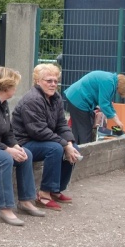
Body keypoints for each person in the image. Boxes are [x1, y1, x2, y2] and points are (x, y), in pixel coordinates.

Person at [0, 67, 45, 226]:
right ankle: (5, 208)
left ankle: (26, 201)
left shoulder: (4, 104)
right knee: (5, 159)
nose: (16, 88)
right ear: (6, 86)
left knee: (26, 154)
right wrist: (7, 149)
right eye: (14, 85)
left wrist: (16, 146)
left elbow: (8, 132)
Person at [12, 64, 80, 211]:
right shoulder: (32, 99)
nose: (53, 84)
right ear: (37, 81)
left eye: (55, 81)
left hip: (42, 139)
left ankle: (56, 190)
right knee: (55, 148)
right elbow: (38, 131)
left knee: (74, 147)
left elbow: (62, 124)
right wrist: (64, 144)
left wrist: (68, 142)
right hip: (24, 141)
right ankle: (43, 194)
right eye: (48, 81)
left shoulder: (56, 98)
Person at [63, 71, 125, 143]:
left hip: (74, 96)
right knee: (85, 130)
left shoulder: (110, 79)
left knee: (77, 130)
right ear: (121, 87)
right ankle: (85, 151)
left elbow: (107, 102)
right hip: (79, 100)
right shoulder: (109, 83)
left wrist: (116, 117)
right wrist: (117, 121)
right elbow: (104, 104)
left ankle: (75, 149)